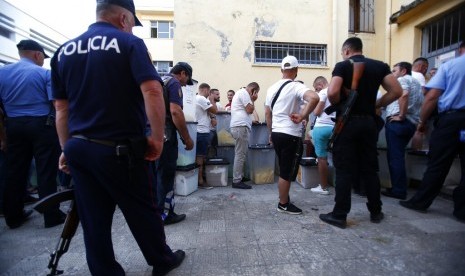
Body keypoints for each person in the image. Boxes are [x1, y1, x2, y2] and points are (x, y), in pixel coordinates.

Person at [50, 0, 185, 275]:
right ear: (124, 18)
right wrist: (157, 139)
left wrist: (66, 148)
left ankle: (105, 271)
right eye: (133, 24)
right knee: (142, 209)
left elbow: (61, 109)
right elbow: (152, 91)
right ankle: (161, 260)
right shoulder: (128, 44)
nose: (132, 30)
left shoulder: (63, 51)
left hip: (79, 148)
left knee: (93, 216)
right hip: (119, 149)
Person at [319, 37, 402, 229]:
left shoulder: (343, 66)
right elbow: (396, 91)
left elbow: (332, 93)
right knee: (370, 168)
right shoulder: (380, 66)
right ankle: (376, 211)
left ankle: (339, 215)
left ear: (347, 51)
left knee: (344, 169)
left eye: (342, 53)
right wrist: (377, 105)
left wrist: (342, 102)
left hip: (347, 123)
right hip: (369, 122)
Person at [0, 39, 65, 229]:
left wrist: (3, 136)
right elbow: (57, 104)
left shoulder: (2, 73)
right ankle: (51, 215)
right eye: (42, 57)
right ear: (37, 55)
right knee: (46, 171)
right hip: (41, 125)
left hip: (13, 125)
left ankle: (13, 216)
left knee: (14, 170)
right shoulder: (44, 73)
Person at [399, 41, 465, 222]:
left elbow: (432, 96)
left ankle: (420, 202)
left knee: (438, 164)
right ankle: (462, 210)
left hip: (451, 120)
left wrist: (422, 121)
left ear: (460, 49)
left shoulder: (451, 65)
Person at [265, 55, 319, 215]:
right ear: (296, 70)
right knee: (287, 171)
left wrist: (270, 133)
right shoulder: (296, 86)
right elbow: (314, 98)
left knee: (284, 167)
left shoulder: (271, 88)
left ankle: (284, 198)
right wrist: (302, 115)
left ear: (282, 70)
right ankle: (283, 204)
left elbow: (267, 113)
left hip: (276, 133)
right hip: (290, 134)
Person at [153, 62, 194, 225]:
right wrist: (187, 138)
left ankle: (156, 212)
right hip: (166, 135)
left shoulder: (158, 80)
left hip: (152, 133)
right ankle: (165, 214)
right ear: (182, 73)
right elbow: (176, 112)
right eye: (187, 79)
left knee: (156, 176)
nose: (185, 84)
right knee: (166, 176)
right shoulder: (174, 82)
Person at [381, 62, 422, 200]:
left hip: (399, 123)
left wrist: (401, 115)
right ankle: (399, 187)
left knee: (395, 158)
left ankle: (398, 190)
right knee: (399, 156)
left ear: (403, 71)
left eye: (394, 71)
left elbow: (403, 95)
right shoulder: (417, 83)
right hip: (411, 123)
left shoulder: (402, 80)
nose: (392, 74)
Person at [230, 82, 260, 189]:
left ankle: (239, 177)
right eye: (256, 92)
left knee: (241, 153)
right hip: (240, 127)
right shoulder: (244, 93)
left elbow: (244, 112)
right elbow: (249, 110)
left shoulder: (241, 93)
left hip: (240, 127)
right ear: (253, 90)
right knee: (240, 154)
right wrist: (253, 99)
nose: (256, 95)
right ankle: (237, 180)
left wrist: (251, 121)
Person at [309, 76, 334, 195]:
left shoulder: (323, 92)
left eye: (316, 88)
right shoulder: (336, 92)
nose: (316, 91)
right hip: (335, 128)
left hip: (321, 127)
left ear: (320, 84)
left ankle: (323, 187)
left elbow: (317, 112)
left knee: (322, 158)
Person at [196, 83, 217, 187]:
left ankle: (199, 179)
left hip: (199, 131)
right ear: (206, 90)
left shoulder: (197, 99)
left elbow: (209, 112)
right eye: (209, 92)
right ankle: (200, 180)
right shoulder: (201, 99)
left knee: (201, 156)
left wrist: (212, 118)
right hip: (201, 131)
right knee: (201, 157)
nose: (209, 94)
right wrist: (212, 98)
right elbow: (215, 110)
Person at [207, 88, 222, 158]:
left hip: (217, 130)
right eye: (217, 94)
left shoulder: (219, 105)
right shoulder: (207, 102)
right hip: (209, 130)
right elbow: (213, 110)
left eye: (219, 94)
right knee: (207, 148)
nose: (219, 96)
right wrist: (211, 100)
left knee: (216, 149)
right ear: (211, 94)